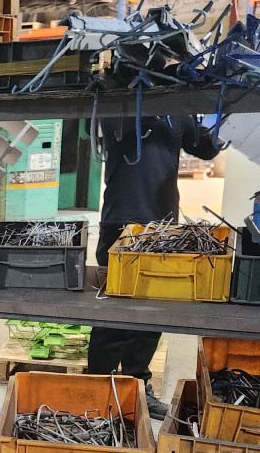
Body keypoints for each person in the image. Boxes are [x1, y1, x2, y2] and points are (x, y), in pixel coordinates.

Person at [87, 112, 222, 417]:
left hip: (163, 227)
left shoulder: (178, 112)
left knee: (152, 313)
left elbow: (206, 148)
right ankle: (97, 389)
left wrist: (224, 123)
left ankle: (138, 384)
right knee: (112, 313)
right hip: (120, 224)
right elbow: (101, 127)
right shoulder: (120, 106)